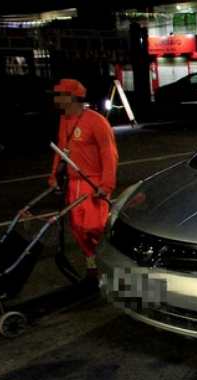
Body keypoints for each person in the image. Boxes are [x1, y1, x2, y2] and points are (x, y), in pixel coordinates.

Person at [49, 78, 118, 282]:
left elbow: (109, 155)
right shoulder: (64, 121)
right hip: (73, 184)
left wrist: (105, 186)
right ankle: (92, 270)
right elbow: (61, 152)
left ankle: (113, 270)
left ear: (72, 98)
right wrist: (54, 176)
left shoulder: (96, 122)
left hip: (93, 184)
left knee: (94, 228)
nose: (57, 101)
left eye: (60, 96)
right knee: (79, 230)